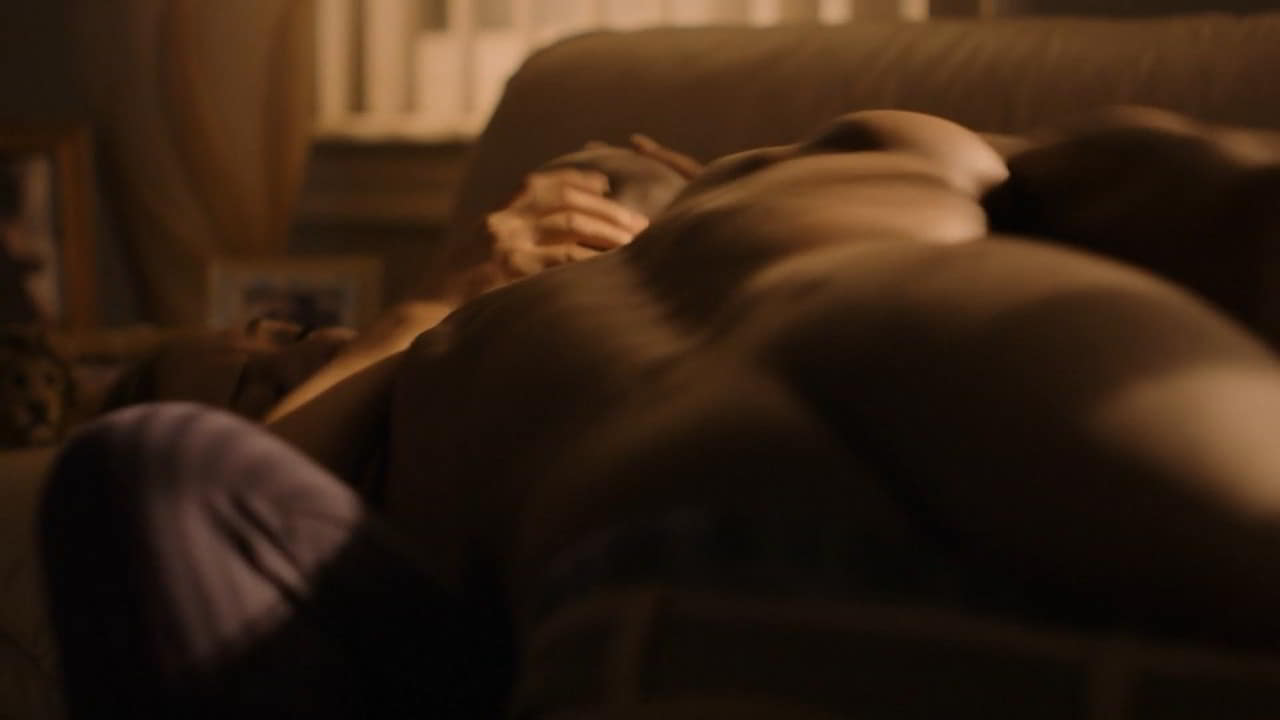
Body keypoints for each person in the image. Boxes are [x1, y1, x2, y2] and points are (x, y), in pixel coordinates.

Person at [41, 108, 1280, 719]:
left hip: (989, 371)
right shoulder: (422, 365)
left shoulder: (844, 158)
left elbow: (1192, 191)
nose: (286, 344)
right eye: (257, 365)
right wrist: (423, 304)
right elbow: (204, 489)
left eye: (274, 341)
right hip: (653, 568)